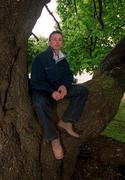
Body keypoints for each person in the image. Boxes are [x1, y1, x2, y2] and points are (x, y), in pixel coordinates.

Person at [31, 31, 88, 160]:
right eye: (54, 39)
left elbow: (68, 76)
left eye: (60, 39)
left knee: (82, 90)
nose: (57, 41)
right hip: (43, 91)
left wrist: (64, 86)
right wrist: (52, 92)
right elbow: (36, 81)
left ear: (62, 42)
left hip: (59, 90)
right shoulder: (40, 58)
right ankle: (54, 139)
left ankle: (66, 121)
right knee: (39, 103)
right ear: (49, 42)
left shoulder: (63, 59)